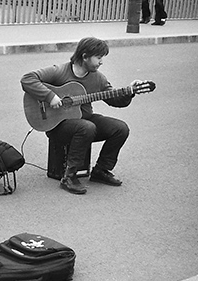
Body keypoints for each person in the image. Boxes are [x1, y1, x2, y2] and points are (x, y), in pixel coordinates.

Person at [20, 37, 139, 195]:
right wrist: (50, 97)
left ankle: (101, 170)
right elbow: (27, 79)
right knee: (87, 127)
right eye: (98, 57)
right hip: (58, 126)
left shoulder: (98, 78)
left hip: (84, 120)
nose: (101, 61)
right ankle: (69, 177)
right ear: (84, 56)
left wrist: (128, 93)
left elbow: (115, 100)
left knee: (120, 128)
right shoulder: (60, 71)